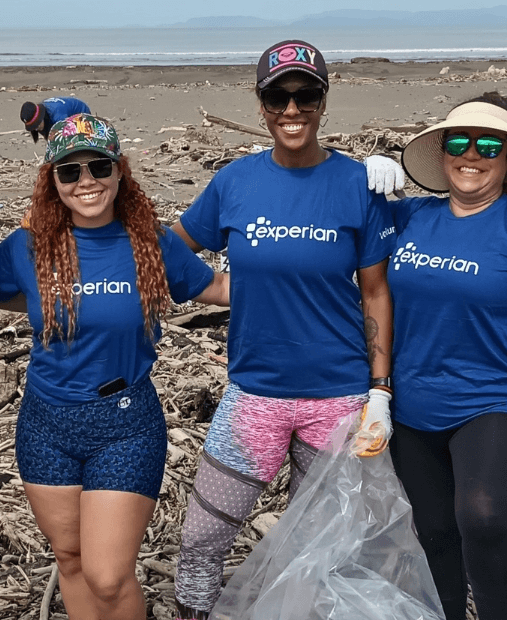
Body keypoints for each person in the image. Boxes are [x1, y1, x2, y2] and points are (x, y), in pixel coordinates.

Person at [172, 39, 396, 619]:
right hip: (255, 395)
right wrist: (218, 287)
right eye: (278, 97)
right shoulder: (235, 182)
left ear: (323, 101)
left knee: (321, 550)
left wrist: (380, 390)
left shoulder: (358, 185)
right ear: (261, 103)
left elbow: (375, 291)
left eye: (305, 96)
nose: (292, 109)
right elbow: (172, 248)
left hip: (338, 398)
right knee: (201, 539)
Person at [0, 113, 229, 620]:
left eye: (98, 166)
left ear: (119, 172)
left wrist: (315, 277)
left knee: (109, 577)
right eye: (69, 171)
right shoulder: (28, 246)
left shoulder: (150, 242)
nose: (86, 181)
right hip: (45, 424)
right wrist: (43, 301)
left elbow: (216, 288)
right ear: (52, 181)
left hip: (125, 425)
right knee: (72, 561)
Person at [387, 92, 507, 620]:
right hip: (410, 403)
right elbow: (333, 222)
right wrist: (361, 175)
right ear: (441, 153)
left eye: (490, 145)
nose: (472, 154)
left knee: (484, 518)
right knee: (433, 531)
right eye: (459, 142)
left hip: (490, 398)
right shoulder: (411, 215)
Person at [20, 97, 91, 142]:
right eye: (34, 127)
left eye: (37, 124)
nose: (36, 129)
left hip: (81, 112)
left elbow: (65, 138)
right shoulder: (42, 120)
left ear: (42, 116)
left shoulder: (58, 117)